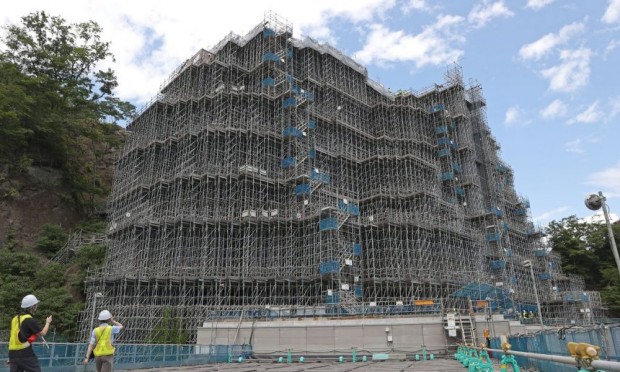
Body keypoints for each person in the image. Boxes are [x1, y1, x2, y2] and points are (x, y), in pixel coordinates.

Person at [8, 294, 52, 372]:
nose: (37, 307)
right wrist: (48, 322)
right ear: (32, 306)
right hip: (25, 353)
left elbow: (18, 336)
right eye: (36, 305)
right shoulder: (29, 320)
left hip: (12, 354)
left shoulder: (15, 319)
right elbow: (42, 333)